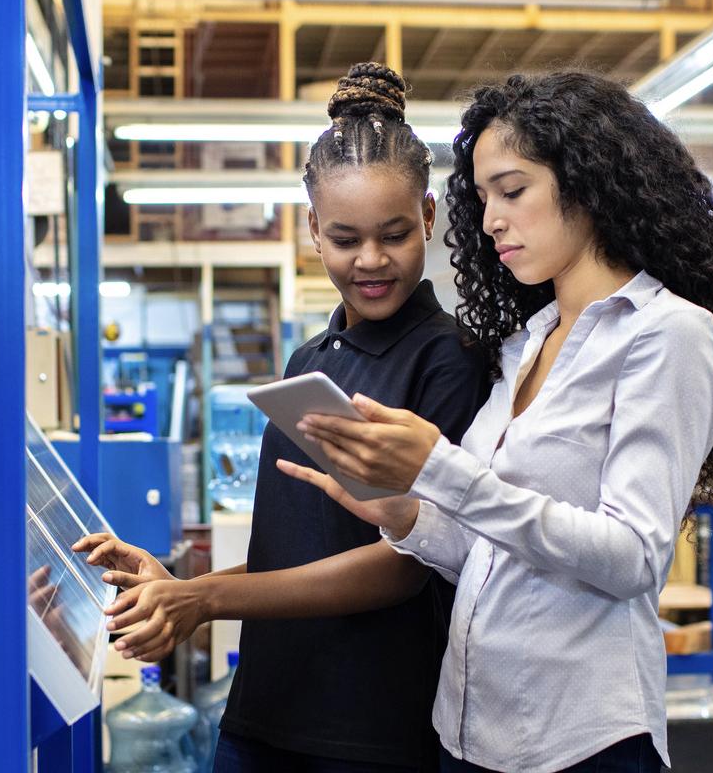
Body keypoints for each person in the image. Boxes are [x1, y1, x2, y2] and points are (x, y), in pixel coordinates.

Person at [279, 71, 713, 773]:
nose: (491, 218)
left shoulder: (665, 336)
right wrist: (406, 513)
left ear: (586, 183)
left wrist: (441, 468)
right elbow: (491, 554)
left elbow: (632, 557)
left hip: (583, 741)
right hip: (470, 733)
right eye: (484, 195)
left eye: (512, 190)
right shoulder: (529, 344)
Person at [73, 62, 491, 772]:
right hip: (263, 713)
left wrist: (204, 598)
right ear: (312, 229)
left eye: (393, 233)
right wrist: (176, 584)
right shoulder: (309, 361)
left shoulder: (447, 360)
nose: (371, 260)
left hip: (367, 732)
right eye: (344, 237)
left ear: (428, 215)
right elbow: (297, 550)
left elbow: (404, 566)